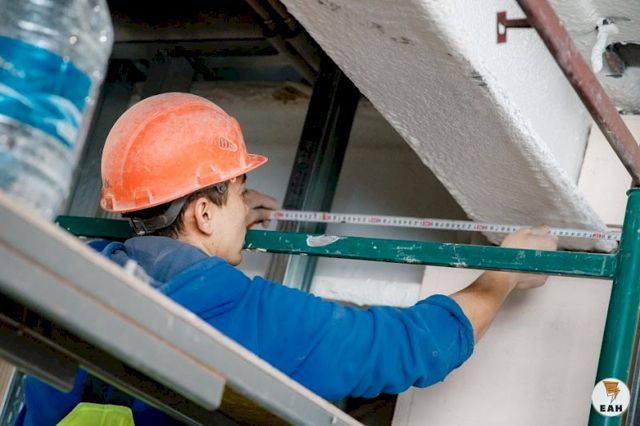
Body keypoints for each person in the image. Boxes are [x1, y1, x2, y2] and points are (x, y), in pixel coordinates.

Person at [18, 92, 558, 425]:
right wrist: (504, 274)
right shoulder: (253, 321)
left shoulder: (76, 280)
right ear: (203, 213)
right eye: (238, 190)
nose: (245, 200)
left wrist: (229, 217)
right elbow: (411, 345)